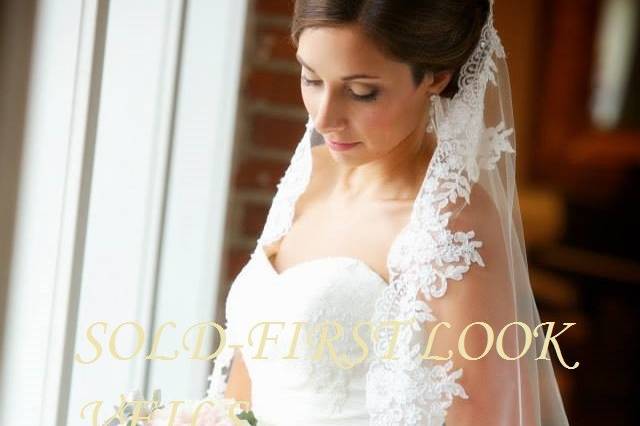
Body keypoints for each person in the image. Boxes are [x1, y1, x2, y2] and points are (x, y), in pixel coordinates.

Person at [207, 1, 572, 425]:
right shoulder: (310, 176)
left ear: (436, 77)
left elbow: (488, 416)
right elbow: (246, 382)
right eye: (311, 78)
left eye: (362, 92)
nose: (325, 118)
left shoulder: (451, 228)